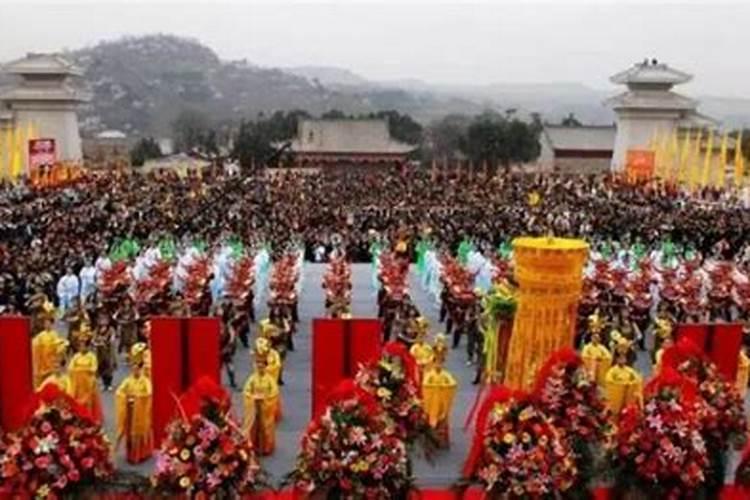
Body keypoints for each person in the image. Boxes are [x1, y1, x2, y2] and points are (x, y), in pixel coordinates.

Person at [115, 343, 153, 464]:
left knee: (139, 432)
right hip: (131, 410)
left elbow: (149, 393)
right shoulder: (128, 380)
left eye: (137, 368)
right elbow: (119, 391)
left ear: (140, 369)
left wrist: (138, 397)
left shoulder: (145, 381)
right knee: (130, 433)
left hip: (140, 410)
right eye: (133, 368)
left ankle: (141, 454)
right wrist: (126, 397)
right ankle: (130, 455)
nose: (134, 370)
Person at [422, 334, 457, 448]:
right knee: (430, 416)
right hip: (432, 400)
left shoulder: (446, 374)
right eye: (436, 362)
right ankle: (431, 438)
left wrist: (442, 387)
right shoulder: (429, 374)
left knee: (442, 417)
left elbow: (452, 384)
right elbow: (425, 384)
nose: (438, 365)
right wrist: (434, 387)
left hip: (442, 400)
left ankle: (441, 439)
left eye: (440, 363)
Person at [243, 354, 279, 456]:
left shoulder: (269, 379)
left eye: (262, 365)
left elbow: (274, 392)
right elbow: (246, 391)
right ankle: (254, 446)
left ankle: (266, 447)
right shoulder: (252, 378)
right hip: (254, 406)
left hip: (265, 406)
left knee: (266, 427)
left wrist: (265, 398)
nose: (260, 367)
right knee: (254, 427)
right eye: (258, 365)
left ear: (265, 366)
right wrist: (252, 397)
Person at [68, 327, 103, 422]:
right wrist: (81, 370)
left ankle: (89, 417)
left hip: (88, 383)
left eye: (83, 346)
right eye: (80, 346)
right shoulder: (76, 356)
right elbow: (70, 368)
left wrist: (81, 369)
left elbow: (93, 369)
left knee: (89, 403)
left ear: (87, 347)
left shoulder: (92, 357)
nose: (81, 348)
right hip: (78, 384)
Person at [604, 350, 643, 416]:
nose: (622, 360)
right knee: (616, 411)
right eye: (620, 359)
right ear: (616, 360)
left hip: (628, 392)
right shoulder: (612, 370)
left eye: (623, 358)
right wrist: (621, 384)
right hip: (617, 394)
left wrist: (630, 383)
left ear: (626, 360)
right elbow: (609, 380)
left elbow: (637, 379)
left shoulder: (630, 370)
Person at [31, 309, 61, 388]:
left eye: (49, 323)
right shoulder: (40, 336)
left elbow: (58, 348)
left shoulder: (55, 335)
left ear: (51, 324)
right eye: (45, 323)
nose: (47, 325)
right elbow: (35, 346)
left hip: (51, 363)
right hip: (42, 363)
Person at [93, 313, 117, 391]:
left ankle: (109, 384)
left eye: (105, 320)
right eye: (101, 320)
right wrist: (96, 343)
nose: (103, 322)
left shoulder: (111, 329)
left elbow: (112, 339)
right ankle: (104, 384)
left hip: (108, 351)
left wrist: (107, 342)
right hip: (100, 351)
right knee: (101, 366)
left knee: (109, 366)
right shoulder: (97, 330)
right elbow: (93, 340)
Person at [409, 317, 434, 384]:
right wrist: (418, 362)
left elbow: (431, 355)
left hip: (425, 366)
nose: (421, 339)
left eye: (423, 337)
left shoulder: (428, 347)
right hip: (416, 365)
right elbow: (411, 356)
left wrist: (425, 361)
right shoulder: (414, 347)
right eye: (420, 337)